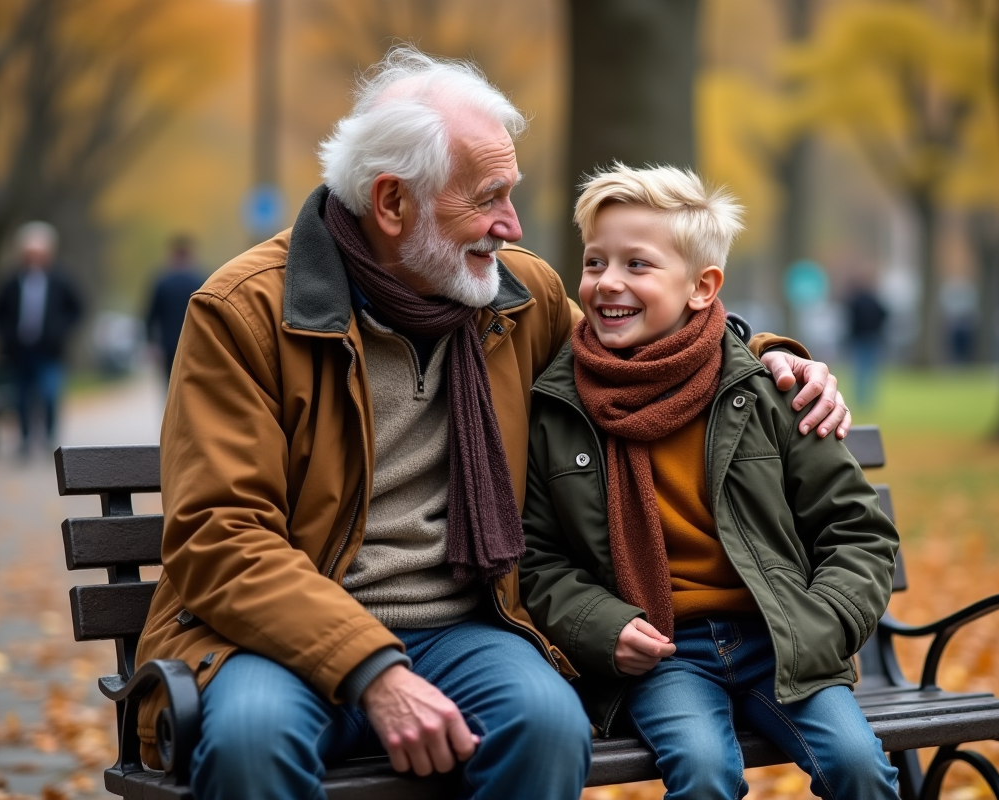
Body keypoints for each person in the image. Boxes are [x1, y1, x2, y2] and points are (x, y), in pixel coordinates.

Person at [134, 48, 852, 800]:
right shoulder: (244, 312)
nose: (510, 225)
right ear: (391, 204)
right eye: (487, 198)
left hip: (466, 629)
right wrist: (372, 669)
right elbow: (220, 534)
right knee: (252, 740)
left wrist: (774, 360)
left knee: (547, 725)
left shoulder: (517, 297)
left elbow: (658, 356)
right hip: (276, 636)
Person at [520, 164, 900, 799]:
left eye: (637, 265)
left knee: (860, 766)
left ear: (702, 287)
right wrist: (603, 626)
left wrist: (819, 623)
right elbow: (537, 557)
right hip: (665, 653)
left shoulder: (769, 391)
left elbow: (858, 532)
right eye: (594, 262)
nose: (608, 282)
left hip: (781, 639)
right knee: (702, 772)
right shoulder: (560, 407)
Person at [0, 221, 82, 456]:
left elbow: (77, 308)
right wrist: (7, 336)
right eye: (30, 253)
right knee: (20, 399)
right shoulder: (11, 281)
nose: (35, 258)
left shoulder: (60, 280)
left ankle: (50, 438)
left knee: (50, 395)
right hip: (19, 351)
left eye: (40, 253)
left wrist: (60, 331)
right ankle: (25, 440)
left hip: (49, 350)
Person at [144, 234, 207, 382]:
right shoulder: (200, 281)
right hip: (194, 345)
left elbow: (150, 315)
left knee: (171, 386)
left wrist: (151, 343)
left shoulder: (162, 283)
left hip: (168, 346)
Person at [845, 278, 889, 408]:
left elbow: (850, 319)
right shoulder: (875, 301)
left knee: (860, 370)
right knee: (870, 370)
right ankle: (868, 399)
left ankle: (860, 399)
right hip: (872, 337)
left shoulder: (855, 301)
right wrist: (878, 328)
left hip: (859, 338)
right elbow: (884, 314)